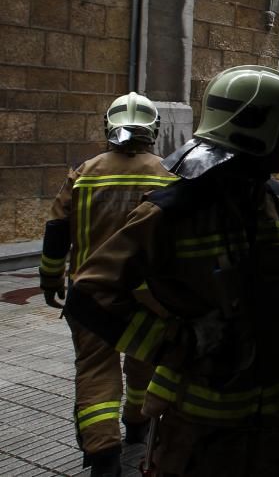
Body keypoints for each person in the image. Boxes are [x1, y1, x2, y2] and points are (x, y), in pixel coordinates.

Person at [64, 66, 279, 477]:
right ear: (251, 127)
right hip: (201, 431)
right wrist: (174, 343)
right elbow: (88, 297)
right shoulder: (171, 213)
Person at [39, 93, 176, 476]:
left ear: (108, 126)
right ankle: (137, 425)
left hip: (91, 296)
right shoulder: (168, 175)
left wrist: (50, 278)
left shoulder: (84, 172)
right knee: (143, 364)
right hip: (150, 299)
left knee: (96, 369)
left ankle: (103, 456)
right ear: (154, 129)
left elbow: (56, 232)